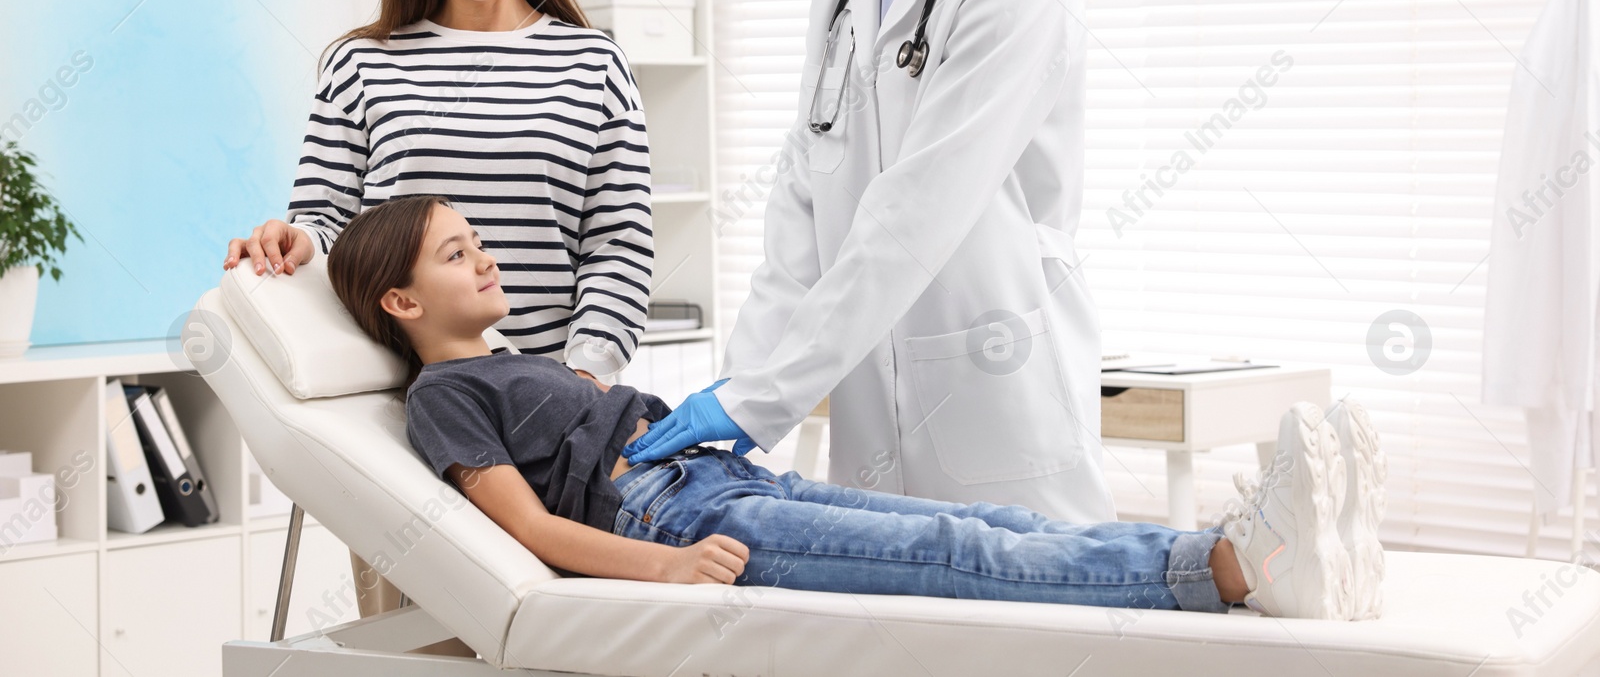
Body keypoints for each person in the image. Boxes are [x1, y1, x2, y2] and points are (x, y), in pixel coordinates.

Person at [327, 194, 1388, 621]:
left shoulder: (518, 359)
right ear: (403, 299)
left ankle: (1245, 543)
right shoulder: (442, 393)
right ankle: (1229, 567)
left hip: (717, 482)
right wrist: (668, 563)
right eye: (459, 251)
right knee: (948, 548)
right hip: (677, 518)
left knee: (982, 523)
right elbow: (528, 528)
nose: (487, 255)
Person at [625, 0, 1113, 524]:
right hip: (872, 410)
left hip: (993, 389)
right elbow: (803, 204)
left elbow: (919, 210)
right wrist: (738, 385)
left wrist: (764, 397)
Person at [222, 0, 654, 617]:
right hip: (414, 428)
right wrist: (294, 237)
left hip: (560, 428)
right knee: (415, 647)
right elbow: (324, 213)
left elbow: (620, 244)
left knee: (570, 642)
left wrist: (586, 375)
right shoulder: (361, 65)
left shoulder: (594, 63)